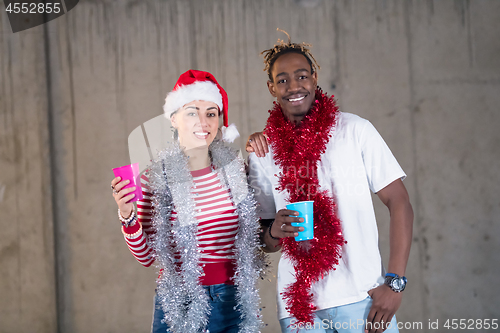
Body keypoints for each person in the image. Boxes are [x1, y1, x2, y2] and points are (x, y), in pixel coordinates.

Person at [246, 34, 413, 333]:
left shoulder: (355, 130)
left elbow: (399, 202)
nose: (293, 86)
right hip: (298, 307)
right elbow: (266, 242)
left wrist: (395, 283)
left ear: (314, 77)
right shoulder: (263, 151)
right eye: (282, 80)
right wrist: (273, 231)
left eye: (301, 76)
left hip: (362, 298)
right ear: (271, 88)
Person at [111, 70, 265, 333]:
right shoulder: (156, 177)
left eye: (211, 113)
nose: (203, 122)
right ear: (174, 119)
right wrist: (127, 214)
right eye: (192, 112)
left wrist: (261, 145)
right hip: (180, 303)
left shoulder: (236, 170)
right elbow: (147, 257)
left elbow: (259, 227)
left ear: (219, 122)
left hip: (234, 301)